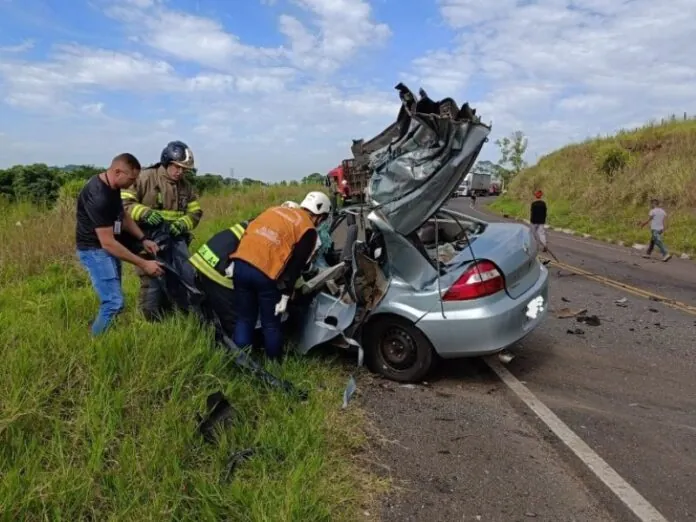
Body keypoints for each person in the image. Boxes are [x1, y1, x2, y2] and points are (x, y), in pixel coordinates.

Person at [229, 191, 332, 360]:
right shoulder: (307, 229)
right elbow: (296, 266)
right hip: (265, 274)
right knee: (271, 325)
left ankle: (240, 362)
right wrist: (285, 295)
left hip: (240, 264)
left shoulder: (274, 210)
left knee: (245, 319)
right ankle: (274, 365)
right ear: (319, 216)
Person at [75, 153, 164, 336]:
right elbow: (107, 243)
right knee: (114, 302)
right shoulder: (99, 196)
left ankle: (99, 328)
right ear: (117, 172)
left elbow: (122, 215)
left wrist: (143, 239)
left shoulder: (112, 186)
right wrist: (144, 264)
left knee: (113, 298)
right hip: (95, 250)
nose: (132, 184)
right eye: (131, 179)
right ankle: (95, 341)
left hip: (107, 246)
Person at [121, 140, 203, 321]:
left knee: (180, 280)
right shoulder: (145, 178)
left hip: (176, 243)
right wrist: (144, 213)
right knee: (152, 283)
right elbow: (124, 204)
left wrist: (182, 224)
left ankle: (173, 316)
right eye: (177, 167)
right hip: (148, 242)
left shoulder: (186, 187)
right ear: (167, 161)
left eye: (184, 169)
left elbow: (196, 212)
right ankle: (151, 322)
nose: (180, 172)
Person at [188, 220, 250, 339]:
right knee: (233, 315)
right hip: (219, 269)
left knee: (211, 306)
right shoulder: (275, 232)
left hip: (204, 259)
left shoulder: (261, 221)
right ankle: (237, 349)